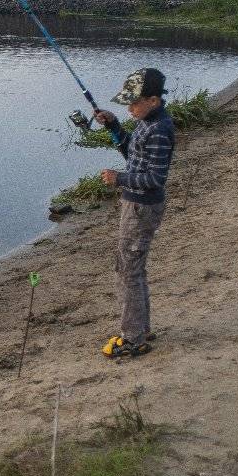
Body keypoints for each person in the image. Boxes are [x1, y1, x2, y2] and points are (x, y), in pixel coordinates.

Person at [94, 68, 175, 358]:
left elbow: (155, 178)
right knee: (133, 267)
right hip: (136, 204)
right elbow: (133, 152)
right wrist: (114, 125)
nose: (129, 108)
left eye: (134, 103)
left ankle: (133, 338)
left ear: (153, 100)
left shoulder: (159, 130)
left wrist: (119, 178)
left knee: (128, 269)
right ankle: (141, 328)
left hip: (142, 207)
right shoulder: (146, 122)